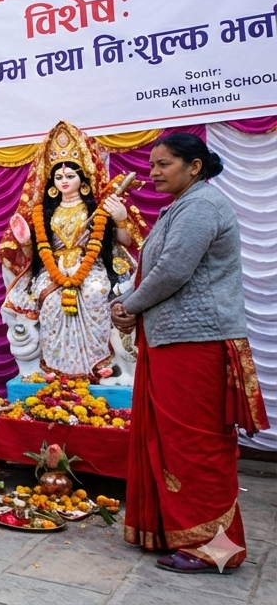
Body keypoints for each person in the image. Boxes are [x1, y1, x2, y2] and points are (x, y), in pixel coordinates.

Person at [111, 133, 268, 574]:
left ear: (194, 166)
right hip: (171, 340)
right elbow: (152, 269)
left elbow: (174, 271)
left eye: (164, 164)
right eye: (153, 164)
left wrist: (129, 305)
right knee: (168, 441)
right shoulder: (180, 207)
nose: (154, 172)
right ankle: (172, 530)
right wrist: (125, 302)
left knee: (196, 443)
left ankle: (214, 545)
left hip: (196, 342)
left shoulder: (201, 205)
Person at [2, 122, 142, 380]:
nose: (64, 181)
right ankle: (57, 367)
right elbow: (35, 253)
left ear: (83, 180)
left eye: (69, 176)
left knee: (95, 292)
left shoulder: (97, 209)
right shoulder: (44, 213)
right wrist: (23, 241)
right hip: (53, 268)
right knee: (52, 302)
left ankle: (100, 363)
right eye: (58, 177)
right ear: (52, 183)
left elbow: (124, 241)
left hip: (90, 266)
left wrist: (121, 218)